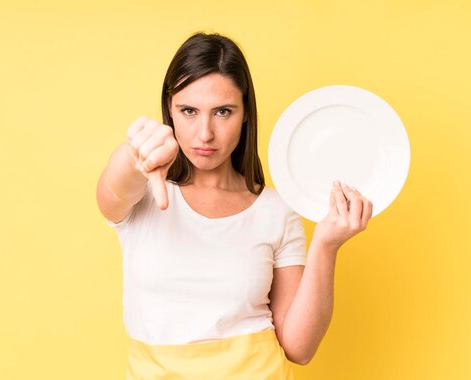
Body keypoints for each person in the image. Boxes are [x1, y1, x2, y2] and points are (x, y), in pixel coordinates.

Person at [96, 32, 373, 379]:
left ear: (245, 113)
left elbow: (299, 349)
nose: (205, 134)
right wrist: (134, 155)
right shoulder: (142, 194)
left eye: (222, 111)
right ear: (170, 109)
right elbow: (112, 190)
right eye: (189, 111)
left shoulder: (276, 210)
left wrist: (326, 245)